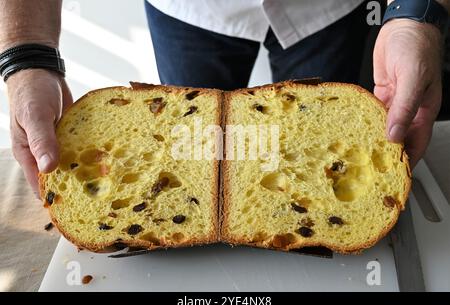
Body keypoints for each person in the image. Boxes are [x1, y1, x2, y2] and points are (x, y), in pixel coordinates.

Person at [0, 0, 448, 196]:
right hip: (189, 9)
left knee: (322, 160)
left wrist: (414, 15)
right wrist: (27, 51)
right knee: (186, 162)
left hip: (330, 9)